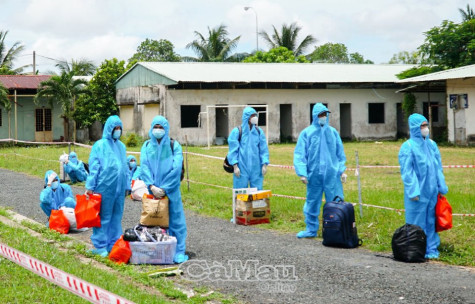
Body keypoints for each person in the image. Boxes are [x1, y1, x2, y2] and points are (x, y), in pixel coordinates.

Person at [398, 113, 448, 259]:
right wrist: (413, 191)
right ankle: (416, 248)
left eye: (426, 125)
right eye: (422, 126)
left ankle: (431, 248)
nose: (426, 128)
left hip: (432, 191)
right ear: (414, 127)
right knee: (417, 222)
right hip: (417, 193)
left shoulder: (432, 145)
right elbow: (407, 172)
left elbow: (438, 167)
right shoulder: (408, 147)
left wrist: (441, 186)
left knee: (431, 220)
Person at [293, 103, 347, 238]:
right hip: (314, 175)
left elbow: (340, 154)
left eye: (325, 114)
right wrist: (302, 173)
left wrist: (342, 171)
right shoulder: (307, 133)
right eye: (321, 115)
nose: (324, 117)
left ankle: (335, 230)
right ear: (315, 116)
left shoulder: (333, 132)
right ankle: (311, 230)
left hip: (331, 175)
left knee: (336, 204)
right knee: (312, 202)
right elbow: (300, 154)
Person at [140, 115, 188, 264]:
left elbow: (176, 168)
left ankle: (178, 250)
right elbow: (144, 166)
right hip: (153, 190)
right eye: (156, 127)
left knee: (176, 221)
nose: (158, 130)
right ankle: (158, 250)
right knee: (155, 220)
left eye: (161, 127)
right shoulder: (147, 146)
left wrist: (165, 188)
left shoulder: (175, 146)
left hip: (171, 190)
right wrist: (152, 186)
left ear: (166, 129)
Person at [85, 115, 129, 257]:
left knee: (116, 216)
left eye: (119, 128)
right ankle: (100, 246)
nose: (117, 130)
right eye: (115, 128)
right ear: (109, 129)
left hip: (119, 188)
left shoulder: (121, 146)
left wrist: (127, 185)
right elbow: (94, 167)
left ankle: (114, 244)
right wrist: (90, 186)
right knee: (103, 217)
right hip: (104, 188)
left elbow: (125, 167)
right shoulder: (100, 145)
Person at [226, 106, 269, 190]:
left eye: (255, 115)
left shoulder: (258, 131)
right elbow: (233, 150)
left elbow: (263, 149)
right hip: (241, 167)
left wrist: (264, 164)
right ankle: (241, 204)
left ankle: (255, 203)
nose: (255, 118)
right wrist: (235, 166)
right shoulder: (237, 131)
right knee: (240, 192)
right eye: (252, 116)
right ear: (247, 117)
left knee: (257, 192)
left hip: (256, 167)